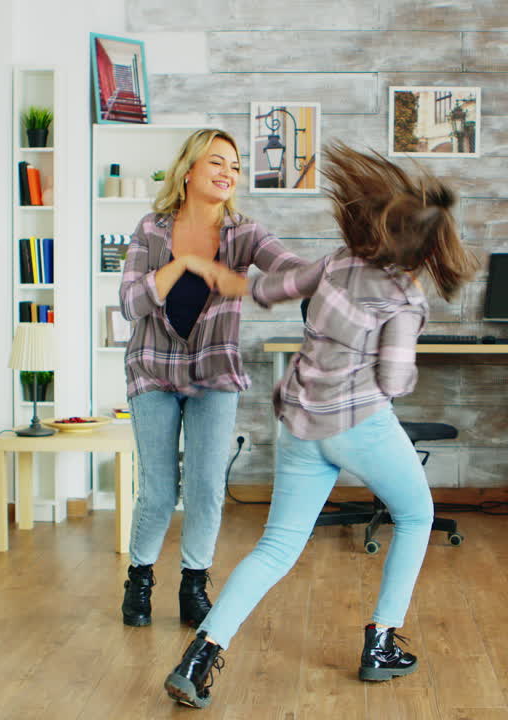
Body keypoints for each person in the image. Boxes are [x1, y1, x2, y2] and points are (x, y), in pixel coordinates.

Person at [163, 143, 478, 709]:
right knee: (417, 514)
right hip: (361, 423)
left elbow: (266, 289)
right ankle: (380, 642)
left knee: (278, 547)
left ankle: (200, 657)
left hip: (301, 424)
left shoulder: (338, 261)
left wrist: (207, 270)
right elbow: (396, 380)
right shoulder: (405, 298)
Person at [118, 129, 305, 629]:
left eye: (236, 166)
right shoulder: (151, 230)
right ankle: (139, 579)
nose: (229, 173)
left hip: (214, 372)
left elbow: (288, 267)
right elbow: (130, 303)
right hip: (153, 370)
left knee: (205, 487)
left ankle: (193, 583)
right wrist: (184, 263)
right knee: (159, 490)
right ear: (189, 169)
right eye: (217, 162)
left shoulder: (244, 233)